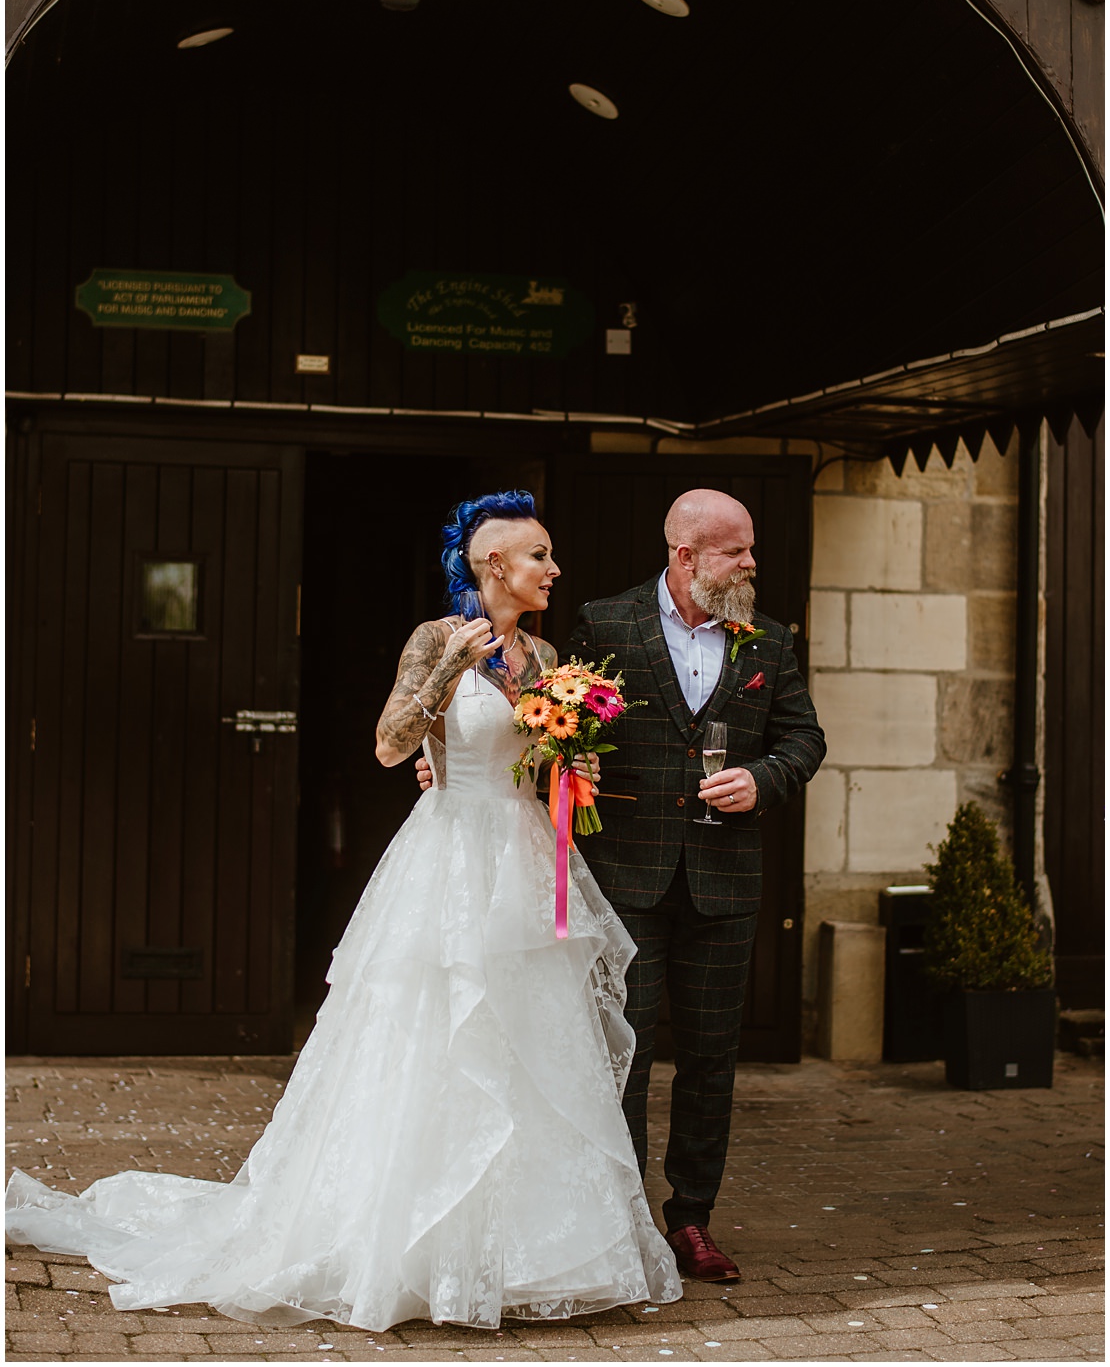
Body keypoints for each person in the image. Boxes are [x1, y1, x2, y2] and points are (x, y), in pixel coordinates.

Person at [5, 490, 680, 1332]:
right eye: (539, 554)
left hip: (520, 856)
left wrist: (569, 758)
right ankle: (406, 1245)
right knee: (434, 1036)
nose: (553, 568)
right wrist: (448, 670)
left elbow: (535, 760)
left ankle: (525, 1252)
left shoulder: (543, 654)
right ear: (494, 565)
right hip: (446, 863)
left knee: (528, 1044)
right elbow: (392, 744)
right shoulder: (437, 638)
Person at [417, 486, 825, 1285]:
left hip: (723, 882)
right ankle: (623, 1217)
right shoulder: (604, 623)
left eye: (749, 549)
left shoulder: (769, 643)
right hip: (623, 878)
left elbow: (803, 735)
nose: (752, 563)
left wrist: (764, 777)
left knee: (711, 1059)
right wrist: (448, 756)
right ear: (685, 555)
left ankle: (694, 1220)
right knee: (617, 1052)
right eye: (735, 550)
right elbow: (539, 723)